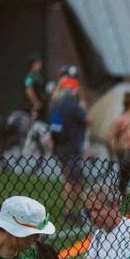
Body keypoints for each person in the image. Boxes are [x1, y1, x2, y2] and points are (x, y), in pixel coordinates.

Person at [49, 81, 87, 219]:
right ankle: (69, 211)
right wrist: (83, 105)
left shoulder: (55, 104)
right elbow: (87, 119)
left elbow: (53, 127)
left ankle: (80, 209)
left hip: (60, 147)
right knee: (72, 181)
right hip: (72, 148)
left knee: (75, 180)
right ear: (73, 91)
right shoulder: (73, 105)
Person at [106, 92, 130, 206]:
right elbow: (109, 136)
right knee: (124, 184)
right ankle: (115, 206)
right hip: (128, 154)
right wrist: (116, 150)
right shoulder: (122, 119)